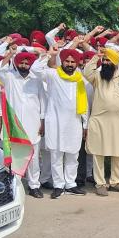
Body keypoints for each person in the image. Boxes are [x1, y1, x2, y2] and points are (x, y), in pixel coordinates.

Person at [83, 48, 119, 195]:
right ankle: (100, 184)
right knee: (98, 152)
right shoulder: (97, 77)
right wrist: (96, 57)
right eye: (104, 60)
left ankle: (115, 182)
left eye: (109, 60)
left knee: (118, 152)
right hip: (99, 121)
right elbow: (86, 72)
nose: (106, 63)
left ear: (115, 63)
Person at [0, 51, 48, 198]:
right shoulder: (9, 77)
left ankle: (34, 185)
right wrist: (10, 54)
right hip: (15, 124)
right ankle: (15, 186)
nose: (24, 66)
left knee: (33, 157)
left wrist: (42, 122)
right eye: (21, 63)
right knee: (16, 156)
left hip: (33, 123)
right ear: (16, 63)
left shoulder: (36, 79)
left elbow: (43, 101)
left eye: (27, 63)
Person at [42, 48, 88, 199]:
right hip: (56, 123)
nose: (69, 64)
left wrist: (85, 124)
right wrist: (51, 55)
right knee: (56, 156)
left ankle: (70, 184)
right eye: (67, 61)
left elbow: (84, 103)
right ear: (62, 62)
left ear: (76, 63)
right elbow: (36, 70)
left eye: (72, 62)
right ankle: (58, 185)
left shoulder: (80, 79)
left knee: (73, 155)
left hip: (74, 123)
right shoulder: (53, 75)